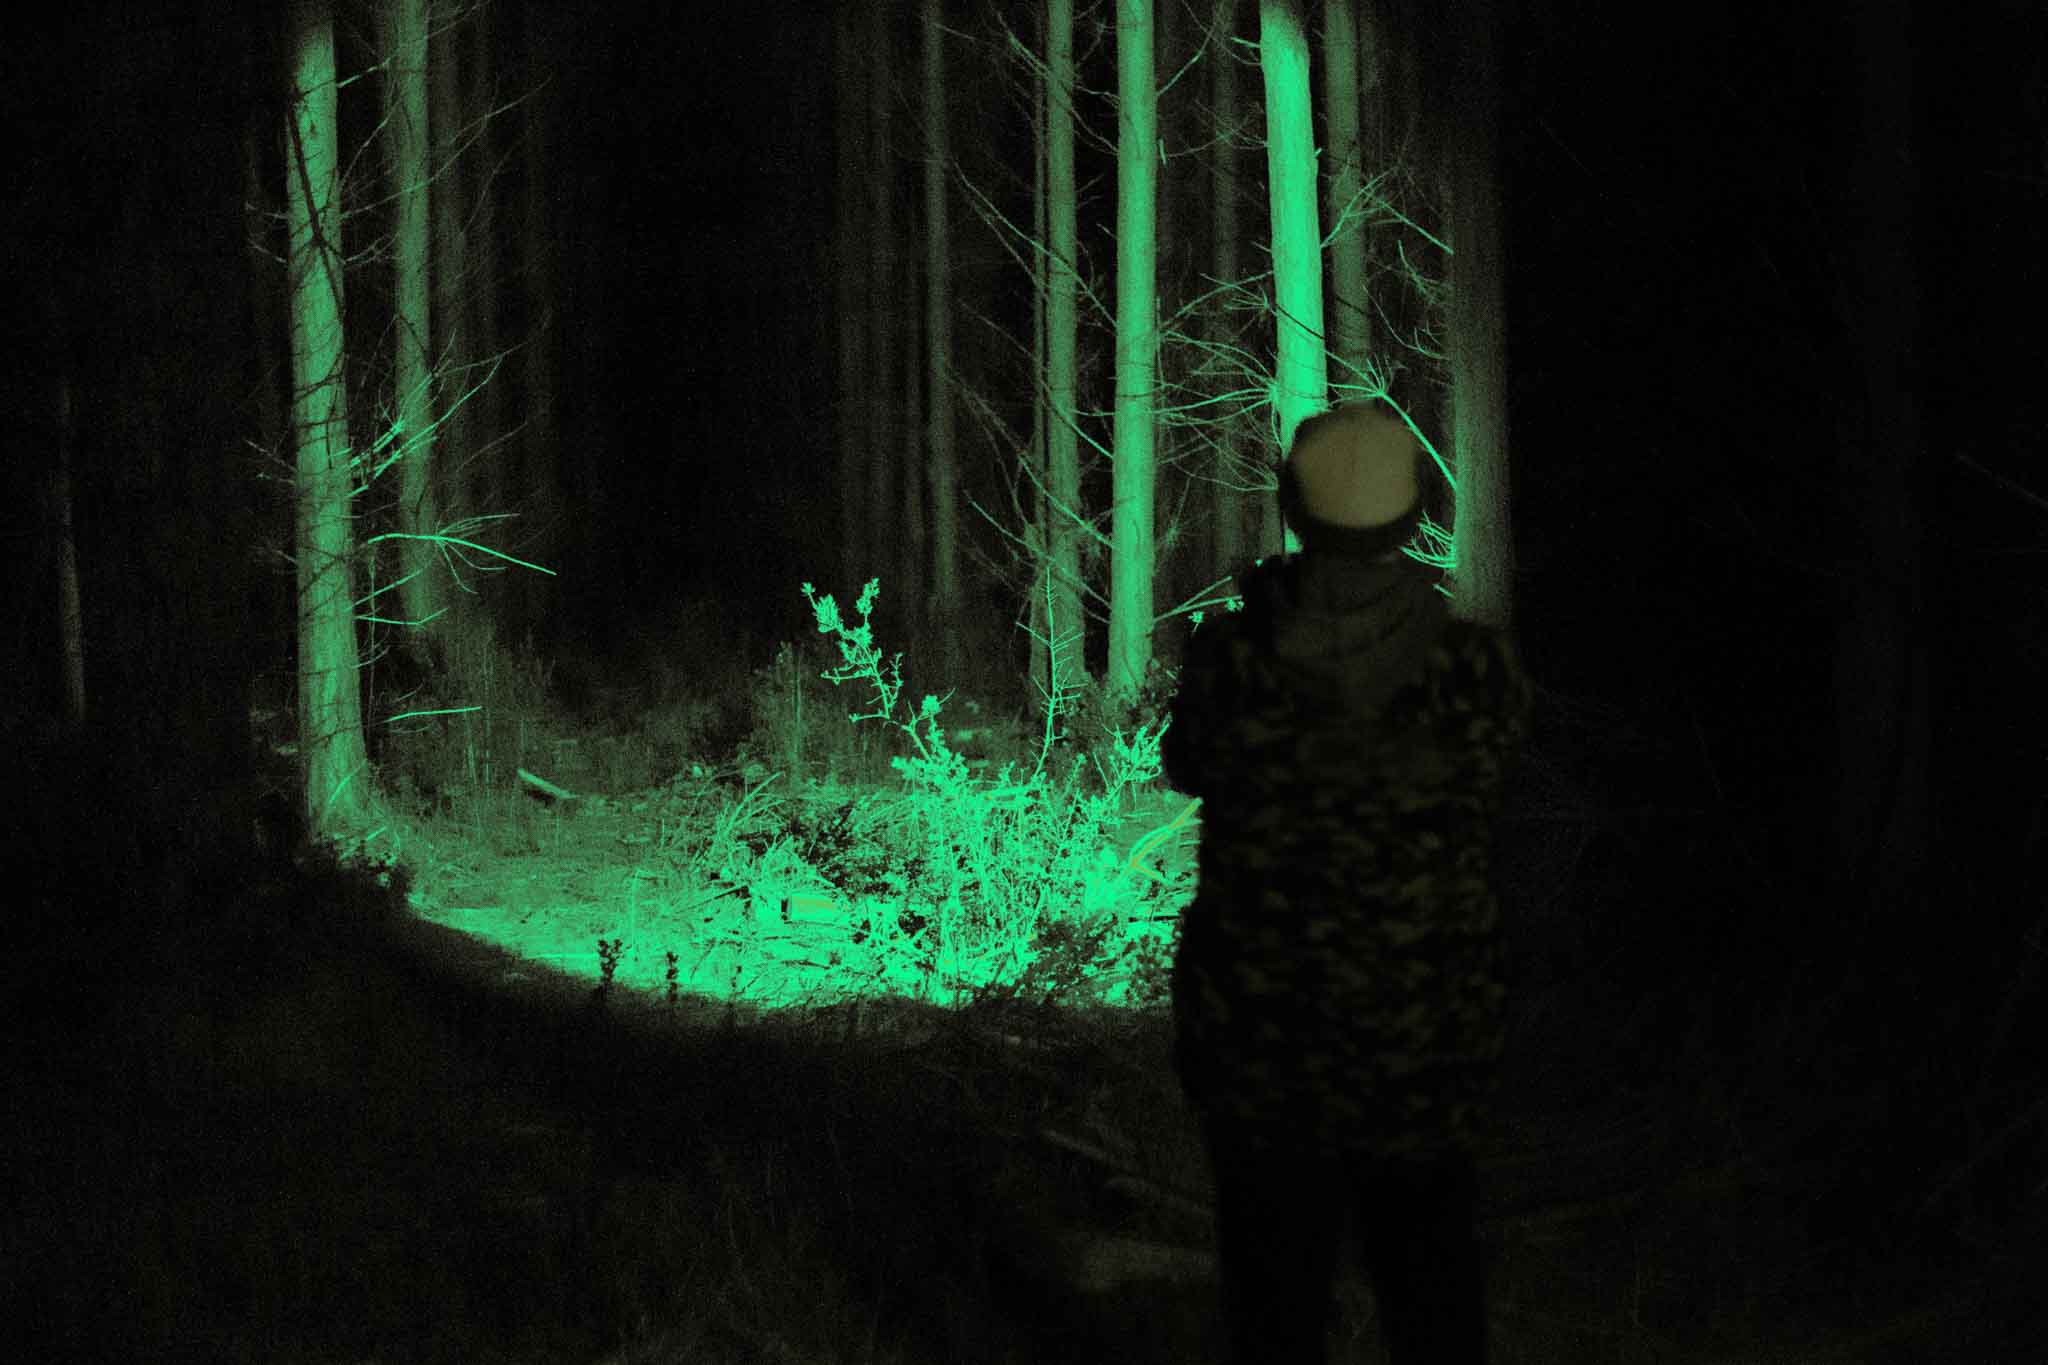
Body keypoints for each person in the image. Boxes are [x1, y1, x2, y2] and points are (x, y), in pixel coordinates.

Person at [1161, 400, 1532, 1365]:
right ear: (1411, 517)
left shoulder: (1232, 659)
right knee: (1434, 1299)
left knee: (1274, 1310)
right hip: (1425, 1042)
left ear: (1292, 507)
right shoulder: (1472, 666)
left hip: (1262, 1045)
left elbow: (1185, 761)